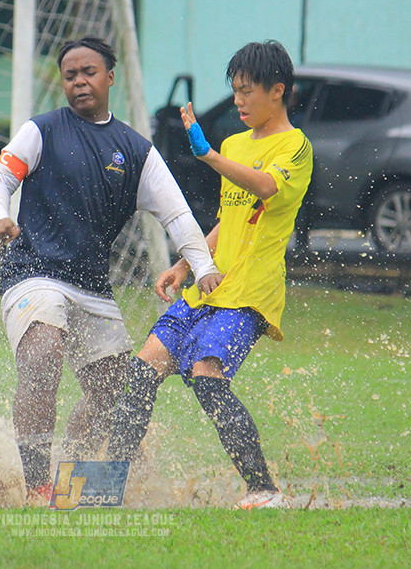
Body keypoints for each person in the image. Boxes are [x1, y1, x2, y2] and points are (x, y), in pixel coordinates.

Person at [0, 36, 221, 502]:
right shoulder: (41, 130)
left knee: (114, 396)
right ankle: (36, 487)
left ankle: (71, 479)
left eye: (88, 72)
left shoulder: (135, 150)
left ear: (110, 77)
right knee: (44, 352)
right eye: (70, 75)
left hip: (92, 287)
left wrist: (203, 264)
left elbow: (177, 216)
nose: (79, 82)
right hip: (32, 274)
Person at [106, 40, 313, 510]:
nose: (237, 100)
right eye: (234, 90)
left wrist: (209, 157)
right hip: (209, 284)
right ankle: (108, 485)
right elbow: (229, 217)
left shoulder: (296, 147)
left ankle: (263, 489)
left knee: (205, 373)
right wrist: (184, 262)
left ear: (277, 91)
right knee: (143, 369)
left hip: (249, 294)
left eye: (246, 91)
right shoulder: (237, 143)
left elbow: (263, 187)